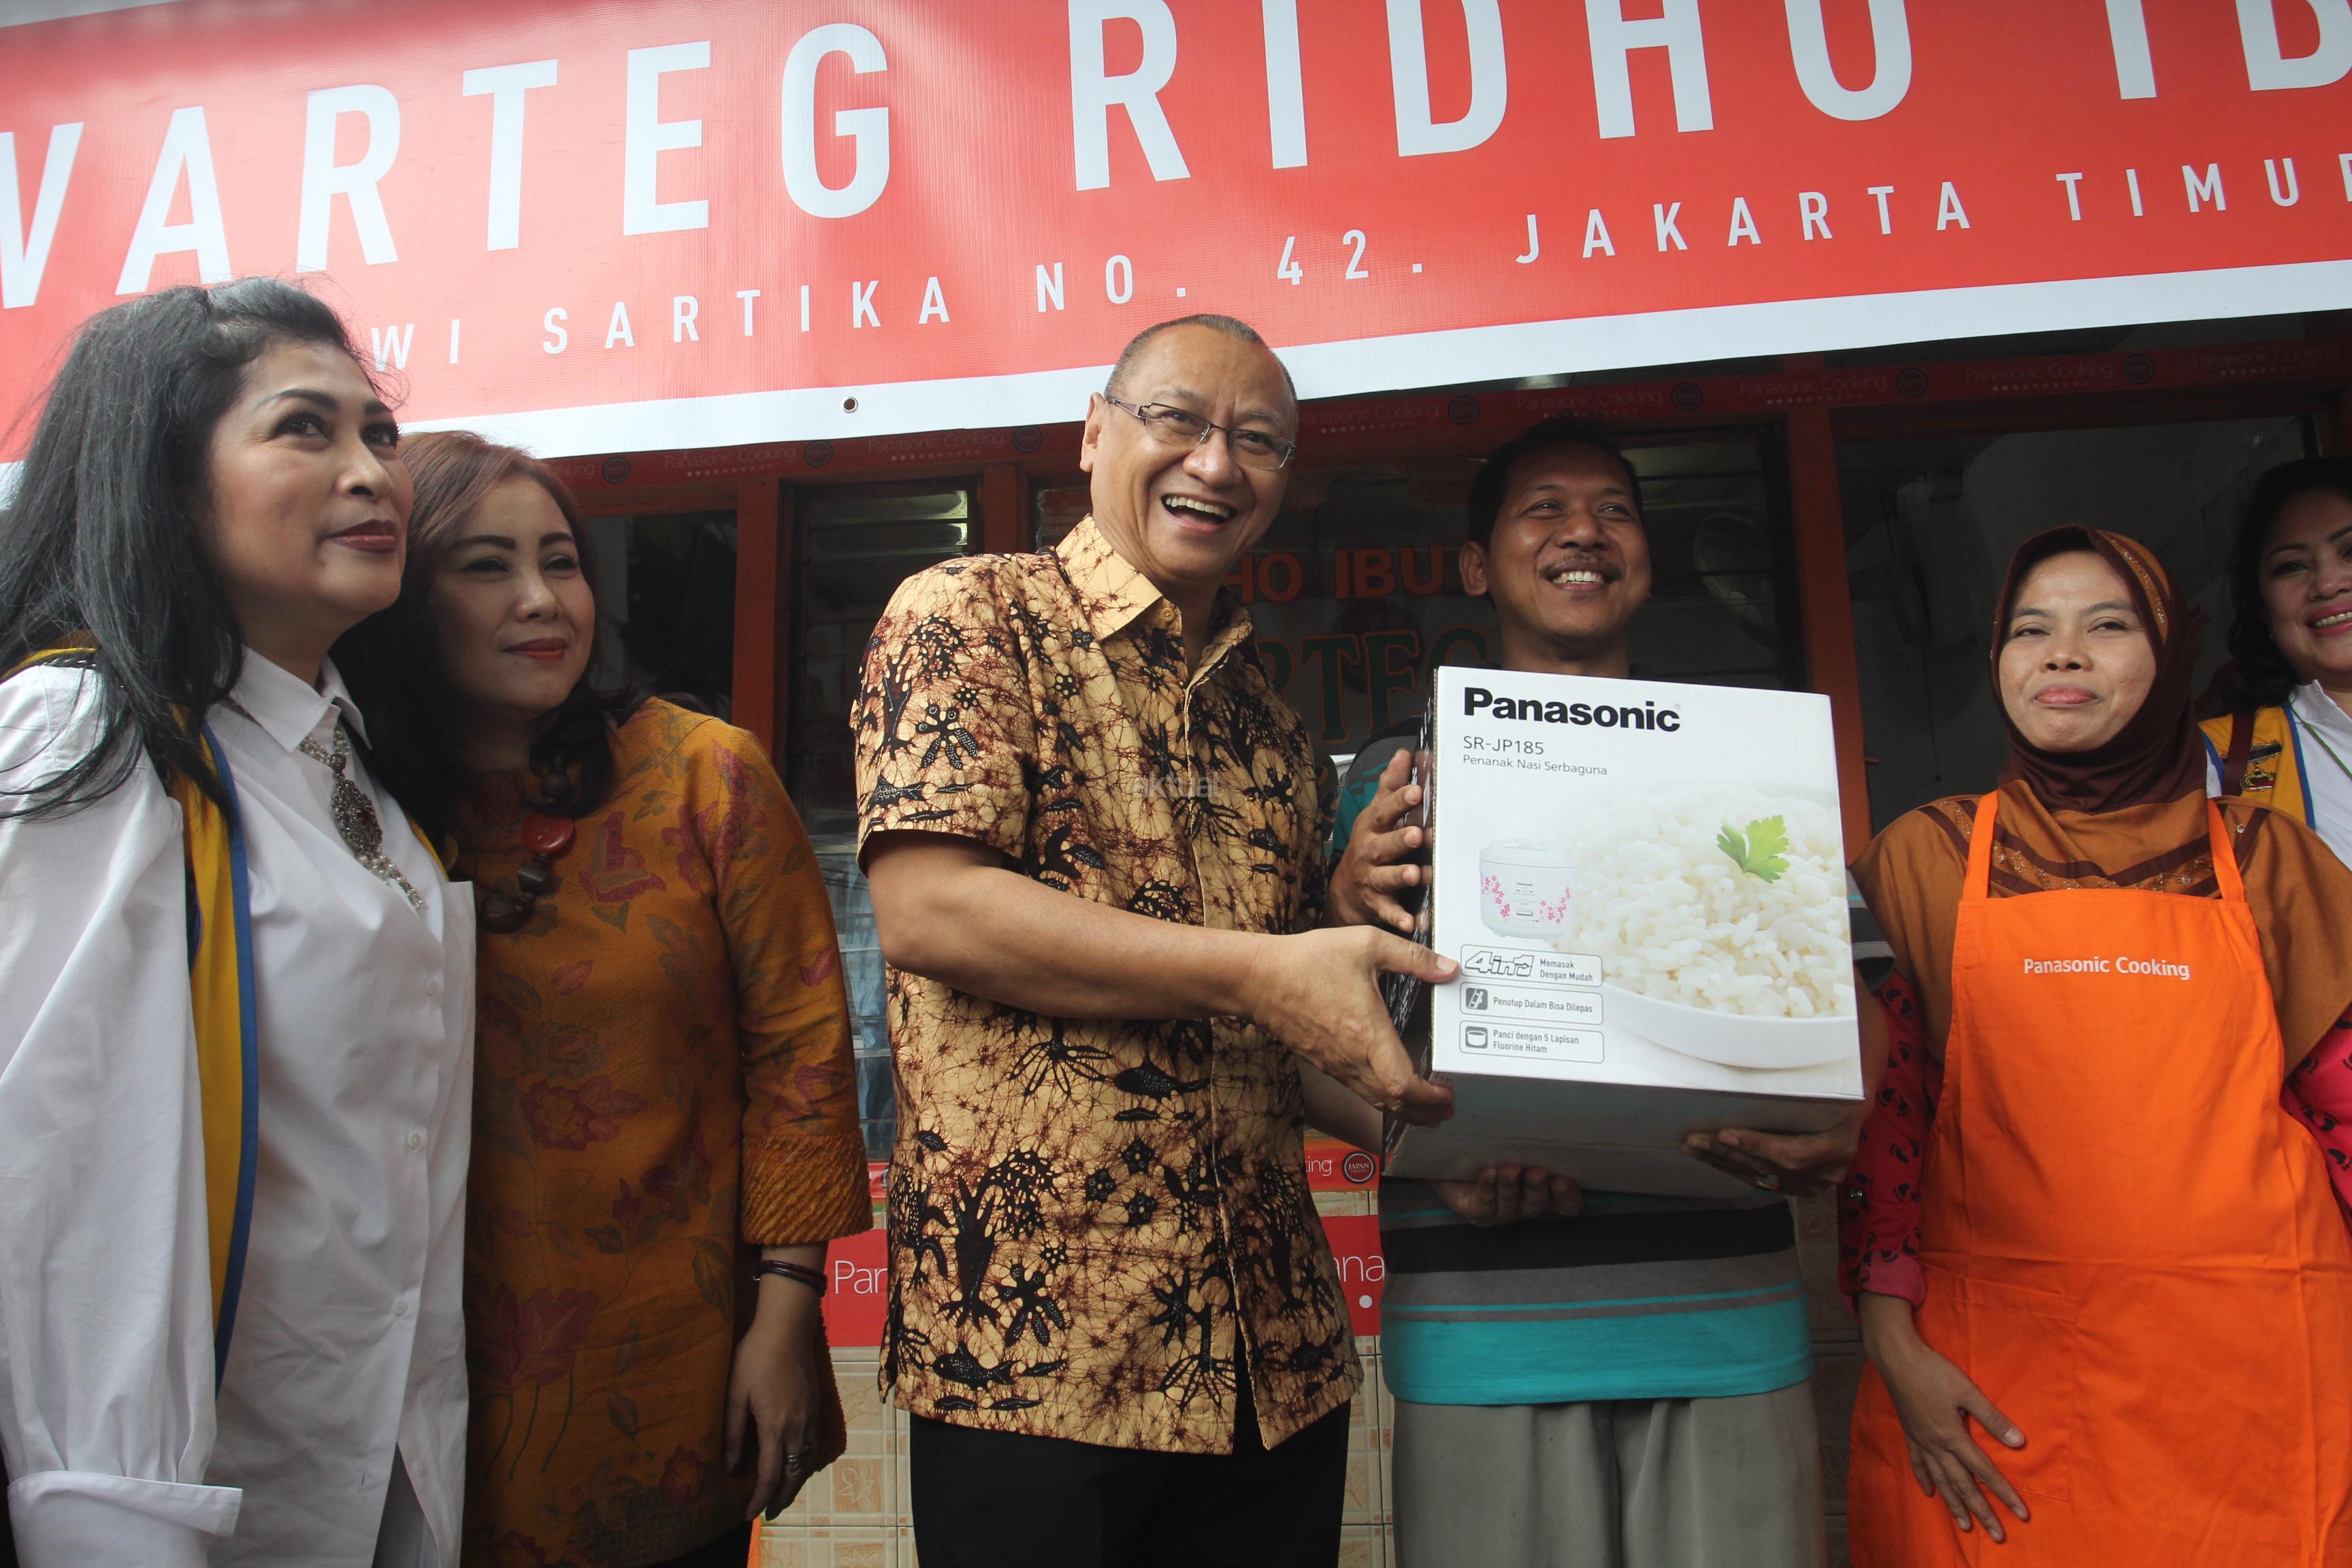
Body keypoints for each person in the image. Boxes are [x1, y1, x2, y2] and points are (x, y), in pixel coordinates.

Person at [851, 313, 1459, 1568]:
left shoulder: (1274, 732)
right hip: (1039, 1356)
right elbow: (929, 907)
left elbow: (1280, 1032)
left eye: (1259, 440)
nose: (1216, 463)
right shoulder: (970, 613)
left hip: (1273, 1362)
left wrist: (1459, 1136)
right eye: (1177, 419)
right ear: (1093, 432)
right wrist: (1262, 967)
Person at [1320, 416, 1878, 1568]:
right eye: (1545, 510)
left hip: (1725, 1319)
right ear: (1477, 566)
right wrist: (1423, 1144)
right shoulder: (1396, 779)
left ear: (1646, 559)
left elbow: (1849, 1023)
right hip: (1482, 1337)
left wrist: (1840, 1120)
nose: (1584, 532)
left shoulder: (1739, 764)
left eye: (1614, 512)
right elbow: (1308, 1041)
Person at [335, 432, 870, 1568]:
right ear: (404, 596)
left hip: (670, 1362)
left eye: (561, 561)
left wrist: (787, 1309)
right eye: (488, 566)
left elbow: (803, 1052)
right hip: (414, 1383)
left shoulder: (703, 774)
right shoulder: (349, 802)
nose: (542, 599)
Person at [0, 280, 472, 1565]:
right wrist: (112, 1517)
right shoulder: (95, 736)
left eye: (379, 432)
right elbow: (63, 1176)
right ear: (166, 480)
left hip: (369, 1470)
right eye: (303, 429)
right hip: (170, 1497)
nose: (372, 472)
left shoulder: (362, 765)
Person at [1840, 527, 2352, 1564]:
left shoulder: (2273, 860)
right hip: (1988, 1382)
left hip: (2259, 1376)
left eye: (2108, 625)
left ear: (2171, 656)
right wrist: (1893, 1348)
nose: (2062, 654)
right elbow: (1885, 1136)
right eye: (2031, 630)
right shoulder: (1926, 859)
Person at [2200, 456, 2352, 864]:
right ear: (2263, 611)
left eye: (2351, 551)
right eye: (2291, 567)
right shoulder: (2214, 760)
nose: (2328, 584)